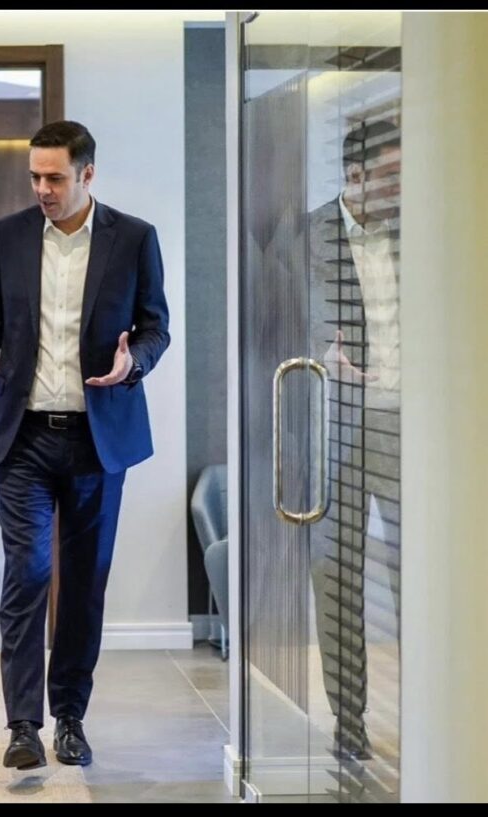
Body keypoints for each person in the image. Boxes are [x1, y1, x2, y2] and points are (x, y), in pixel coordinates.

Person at [0, 120, 170, 769]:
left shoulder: (134, 238)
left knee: (83, 584)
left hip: (96, 440)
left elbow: (156, 327)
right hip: (23, 435)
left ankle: (70, 718)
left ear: (87, 174)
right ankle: (23, 724)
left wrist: (133, 364)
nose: (43, 189)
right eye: (35, 177)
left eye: (54, 177)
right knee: (27, 572)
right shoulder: (10, 234)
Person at [308, 118, 401, 763]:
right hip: (336, 428)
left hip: (408, 427)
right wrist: (320, 353)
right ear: (355, 175)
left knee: (417, 572)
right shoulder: (305, 236)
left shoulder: (421, 234)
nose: (401, 189)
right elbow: (271, 321)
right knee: (337, 575)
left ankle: (434, 713)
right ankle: (349, 722)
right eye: (390, 177)